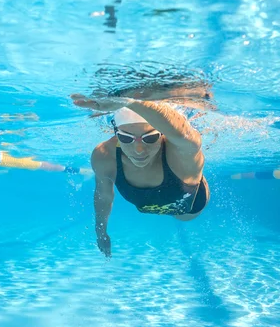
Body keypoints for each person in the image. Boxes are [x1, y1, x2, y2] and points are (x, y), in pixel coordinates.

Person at [71, 94, 210, 257]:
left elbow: (184, 133)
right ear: (116, 133)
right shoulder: (104, 156)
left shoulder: (181, 152)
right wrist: (100, 231)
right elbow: (104, 194)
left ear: (162, 134)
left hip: (189, 210)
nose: (139, 150)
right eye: (125, 138)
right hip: (156, 201)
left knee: (182, 218)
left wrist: (128, 102)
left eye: (150, 138)